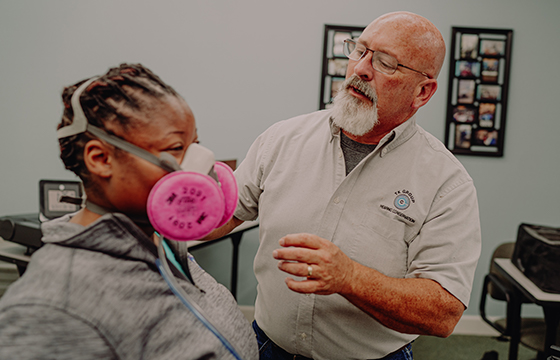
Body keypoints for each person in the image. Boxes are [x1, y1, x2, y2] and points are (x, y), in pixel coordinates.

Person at [208, 11, 481, 360]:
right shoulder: (282, 138)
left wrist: (350, 277)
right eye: (360, 50)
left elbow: (443, 313)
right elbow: (224, 215)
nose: (361, 69)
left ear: (423, 91)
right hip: (266, 347)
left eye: (386, 63)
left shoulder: (447, 183)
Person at [0, 63, 258, 360]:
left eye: (194, 146)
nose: (200, 166)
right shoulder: (50, 308)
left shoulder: (163, 243)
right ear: (100, 158)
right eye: (176, 148)